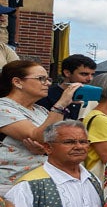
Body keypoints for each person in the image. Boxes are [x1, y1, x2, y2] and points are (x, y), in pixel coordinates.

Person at [0, 59, 82, 194]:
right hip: (13, 185)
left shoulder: (41, 110)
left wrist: (45, 149)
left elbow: (60, 141)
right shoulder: (3, 107)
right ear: (17, 82)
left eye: (48, 79)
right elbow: (40, 136)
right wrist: (61, 104)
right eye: (41, 79)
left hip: (43, 182)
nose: (48, 83)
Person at [42, 53, 96, 120]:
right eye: (84, 74)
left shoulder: (91, 97)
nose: (90, 79)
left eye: (92, 74)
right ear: (67, 73)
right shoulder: (47, 95)